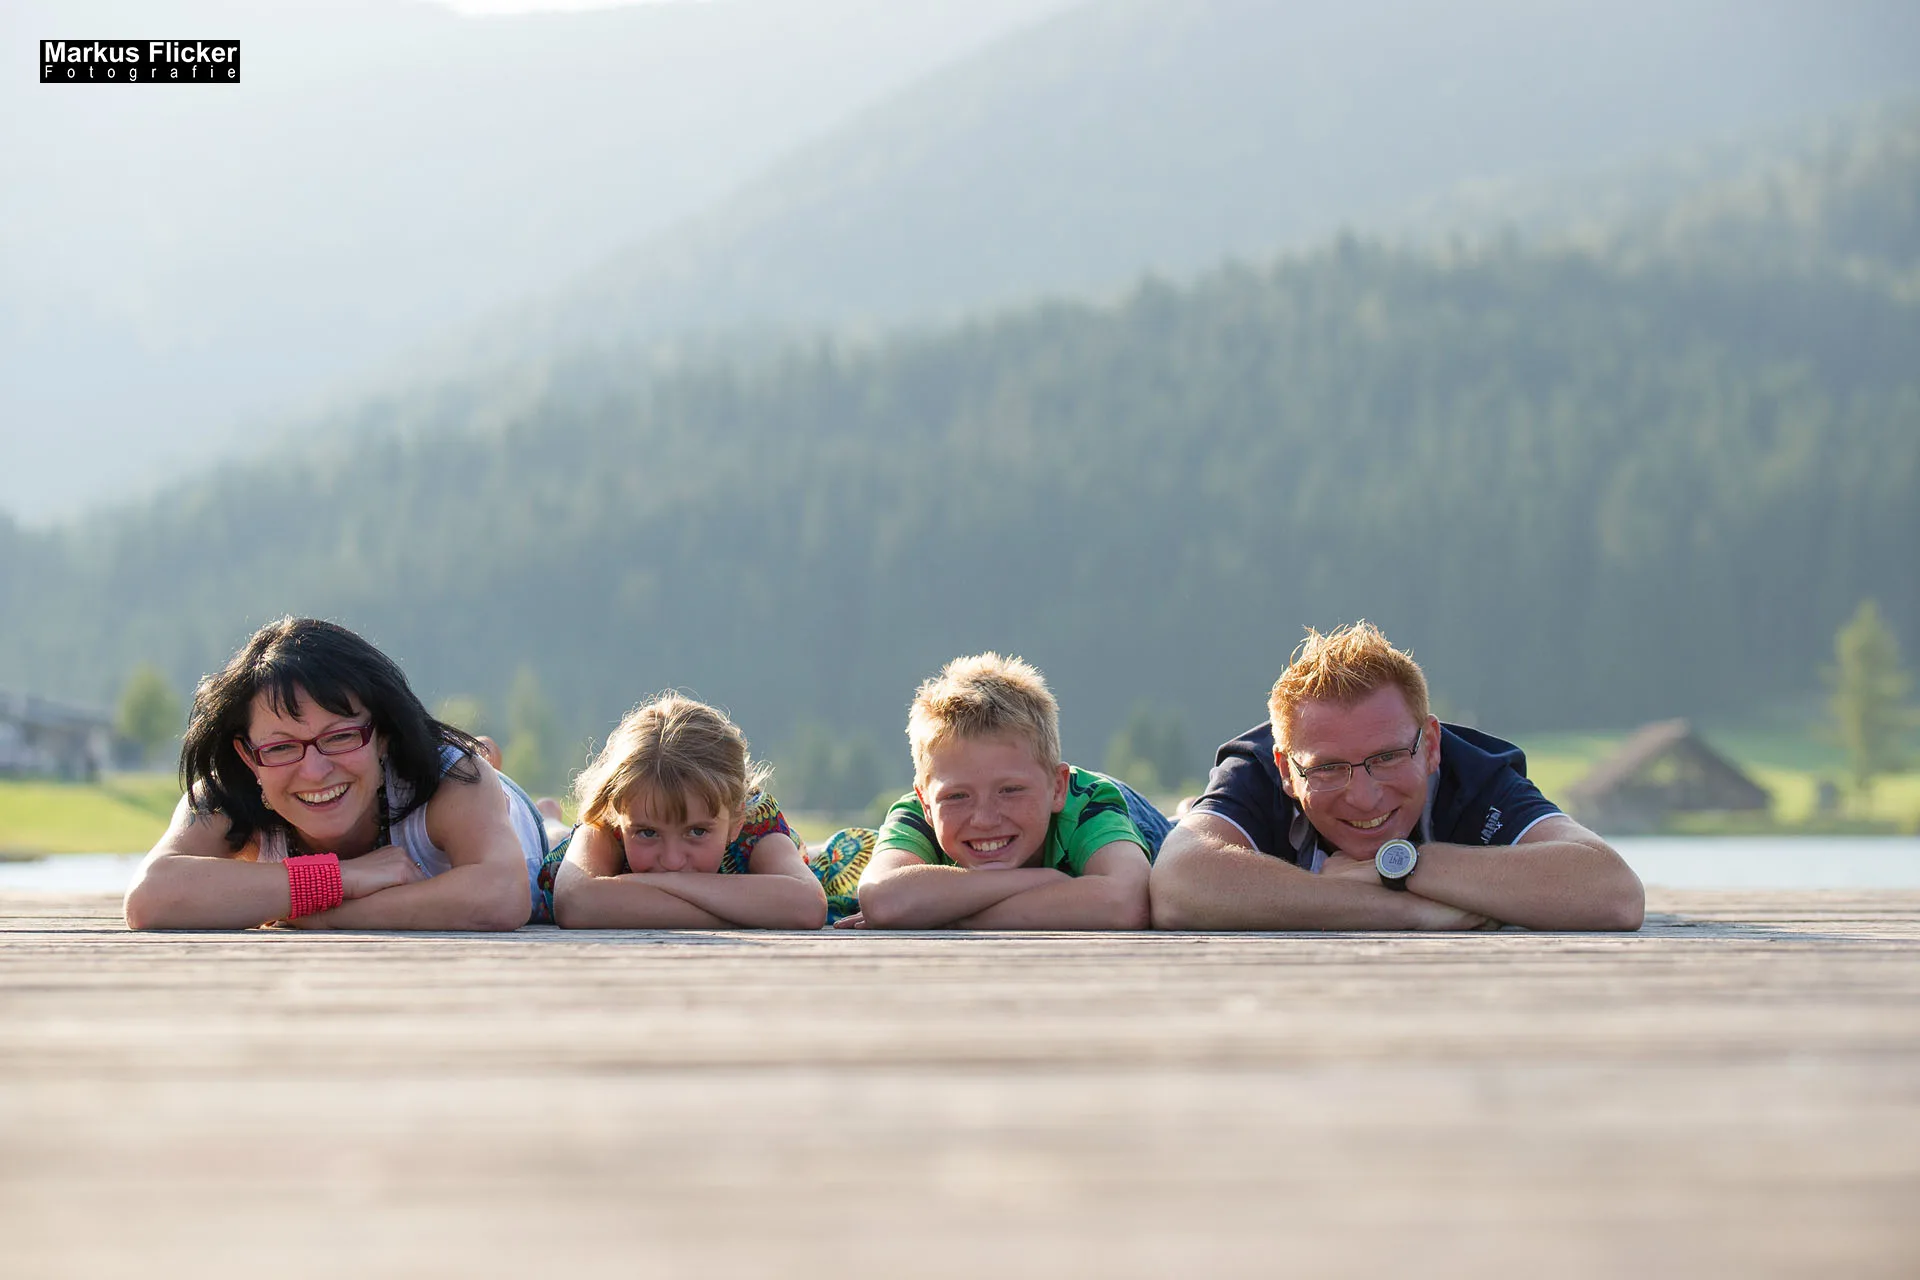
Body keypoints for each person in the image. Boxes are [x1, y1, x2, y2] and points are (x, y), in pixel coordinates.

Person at [1150, 621, 1643, 932]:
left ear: (1431, 746)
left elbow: (1612, 892)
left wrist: (1400, 867)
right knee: (1176, 832)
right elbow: (1176, 886)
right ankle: (1191, 814)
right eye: (1327, 769)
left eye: (1386, 758)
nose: (1363, 797)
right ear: (1286, 770)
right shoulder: (1254, 769)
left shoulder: (1473, 773)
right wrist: (1402, 911)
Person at [124, 618, 553, 931]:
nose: (314, 770)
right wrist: (342, 877)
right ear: (248, 756)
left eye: (342, 737)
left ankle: (521, 791)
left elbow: (502, 893)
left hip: (522, 828)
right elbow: (151, 896)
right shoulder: (229, 794)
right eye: (281, 747)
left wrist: (326, 914)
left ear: (382, 735)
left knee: (545, 825)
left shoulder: (449, 777)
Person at [844, 652, 1167, 930]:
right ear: (926, 802)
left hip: (1140, 822)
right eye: (957, 796)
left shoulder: (1087, 803)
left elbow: (1126, 903)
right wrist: (1044, 880)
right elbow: (882, 899)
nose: (984, 819)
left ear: (1057, 787)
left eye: (1010, 790)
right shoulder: (914, 812)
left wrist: (950, 915)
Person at [551, 694, 828, 929]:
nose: (672, 861)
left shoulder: (755, 826)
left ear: (735, 819)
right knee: (553, 836)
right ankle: (548, 816)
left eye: (697, 831)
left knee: (815, 855)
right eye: (647, 833)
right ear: (618, 815)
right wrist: (745, 913)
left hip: (800, 853)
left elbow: (808, 905)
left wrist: (637, 891)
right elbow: (574, 902)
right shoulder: (608, 821)